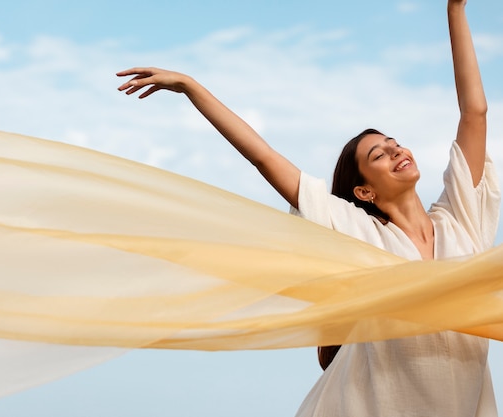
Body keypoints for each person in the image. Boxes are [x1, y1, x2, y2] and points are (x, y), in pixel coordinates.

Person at [117, 0, 500, 415]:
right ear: (364, 192)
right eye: (379, 155)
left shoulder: (463, 220)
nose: (395, 150)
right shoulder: (360, 233)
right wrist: (193, 88)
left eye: (394, 143)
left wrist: (455, 8)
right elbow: (265, 159)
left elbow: (474, 113)